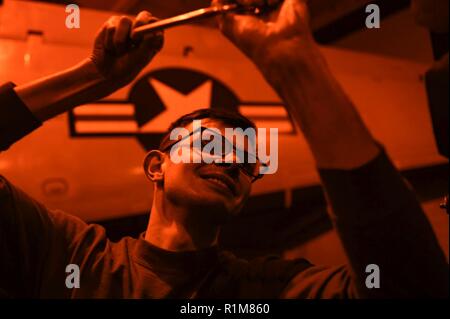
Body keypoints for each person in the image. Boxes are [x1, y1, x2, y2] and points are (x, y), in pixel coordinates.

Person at [0, 0, 448, 298]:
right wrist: (94, 78)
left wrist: (297, 69)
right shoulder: (70, 257)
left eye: (249, 161)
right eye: (212, 143)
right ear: (156, 164)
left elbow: (413, 288)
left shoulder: (265, 290)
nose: (233, 161)